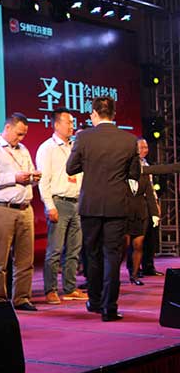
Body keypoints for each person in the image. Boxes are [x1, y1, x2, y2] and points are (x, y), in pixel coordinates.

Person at [66, 96, 141, 322]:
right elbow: (134, 173)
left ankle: (95, 301)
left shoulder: (83, 137)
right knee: (112, 256)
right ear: (114, 114)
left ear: (95, 114)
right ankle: (109, 308)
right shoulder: (129, 140)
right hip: (117, 205)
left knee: (92, 254)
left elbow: (71, 168)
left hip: (90, 204)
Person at [0, 112, 41, 311]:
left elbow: (28, 173)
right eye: (18, 134)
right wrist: (14, 177)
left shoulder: (23, 150)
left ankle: (22, 298)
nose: (21, 138)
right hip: (2, 209)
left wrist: (34, 177)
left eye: (24, 135)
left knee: (25, 259)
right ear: (7, 128)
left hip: (25, 208)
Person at [36, 108, 87, 305]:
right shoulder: (47, 148)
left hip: (77, 202)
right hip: (59, 202)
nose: (71, 126)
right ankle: (50, 290)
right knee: (55, 250)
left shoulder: (74, 146)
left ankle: (70, 287)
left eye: (72, 122)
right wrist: (50, 206)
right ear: (56, 125)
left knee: (74, 250)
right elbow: (43, 180)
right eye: (68, 122)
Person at [125, 138, 160, 285]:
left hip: (141, 213)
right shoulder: (122, 174)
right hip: (125, 213)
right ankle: (114, 276)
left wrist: (155, 214)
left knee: (138, 244)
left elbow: (150, 194)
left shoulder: (145, 172)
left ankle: (134, 276)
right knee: (124, 246)